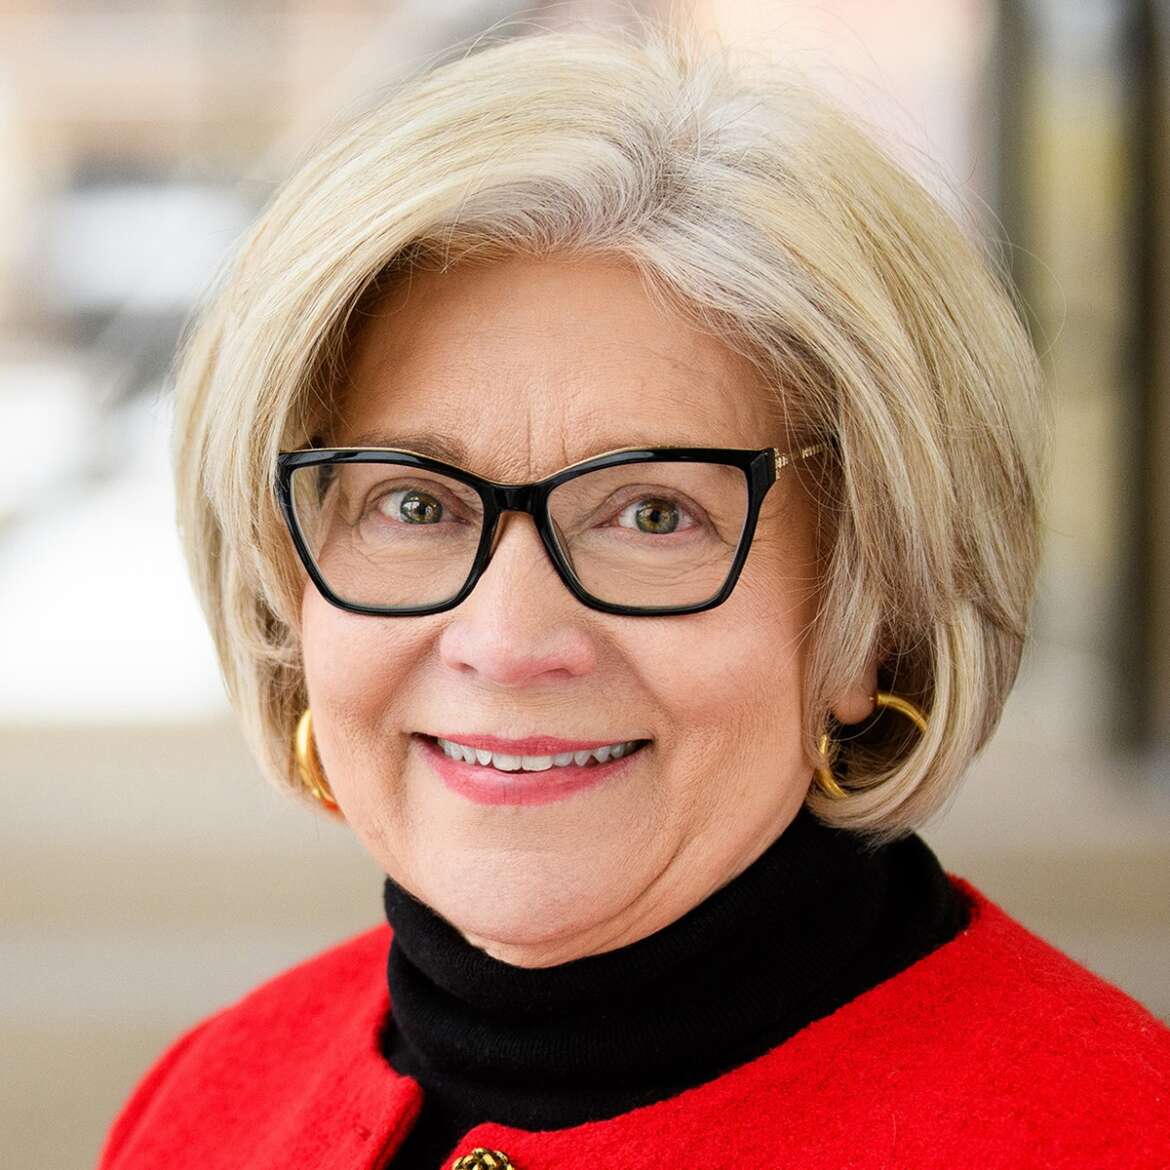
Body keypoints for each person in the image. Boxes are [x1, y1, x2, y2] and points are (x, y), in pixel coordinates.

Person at [96, 20, 1170, 1170]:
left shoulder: (1102, 1132)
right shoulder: (209, 1105)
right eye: (411, 504)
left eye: (654, 514)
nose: (507, 641)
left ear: (873, 609)